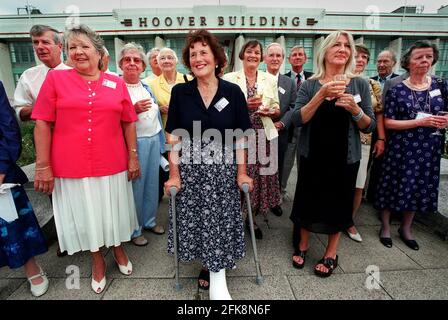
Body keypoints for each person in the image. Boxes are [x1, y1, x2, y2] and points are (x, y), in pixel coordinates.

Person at [31, 25, 140, 294]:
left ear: (98, 51)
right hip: (70, 165)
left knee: (112, 209)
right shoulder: (56, 80)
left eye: (84, 46)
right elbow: (42, 123)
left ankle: (117, 247)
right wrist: (43, 166)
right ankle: (96, 260)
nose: (78, 52)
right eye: (72, 47)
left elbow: (128, 123)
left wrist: (133, 157)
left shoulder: (115, 82)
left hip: (112, 162)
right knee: (87, 214)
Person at [164, 29, 253, 300]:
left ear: (217, 58)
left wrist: (242, 172)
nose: (198, 58)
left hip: (223, 169)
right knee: (199, 219)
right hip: (190, 169)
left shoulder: (233, 91)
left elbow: (241, 138)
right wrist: (174, 174)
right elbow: (174, 137)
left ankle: (217, 275)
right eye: (192, 54)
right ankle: (207, 264)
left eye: (204, 52)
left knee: (220, 218)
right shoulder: (181, 92)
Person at [290, 30, 375, 277]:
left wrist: (355, 109)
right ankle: (303, 245)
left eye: (346, 46)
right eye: (336, 44)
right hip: (313, 154)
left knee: (339, 202)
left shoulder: (360, 83)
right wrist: (321, 94)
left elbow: (369, 125)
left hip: (345, 156)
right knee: (308, 199)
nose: (342, 49)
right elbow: (298, 119)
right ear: (325, 51)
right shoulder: (309, 83)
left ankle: (331, 253)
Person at [374, 40, 448, 251]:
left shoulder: (440, 85)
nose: (424, 61)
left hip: (429, 147)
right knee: (392, 184)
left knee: (418, 186)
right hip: (401, 147)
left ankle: (406, 228)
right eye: (419, 57)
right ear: (408, 62)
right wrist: (419, 122)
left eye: (428, 56)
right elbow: (387, 121)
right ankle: (386, 226)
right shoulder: (397, 89)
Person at [223, 40, 281, 240]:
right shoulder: (229, 78)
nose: (253, 55)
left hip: (263, 134)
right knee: (238, 175)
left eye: (257, 52)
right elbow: (221, 107)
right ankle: (234, 217)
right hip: (238, 135)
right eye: (249, 51)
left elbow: (277, 109)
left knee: (259, 179)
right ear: (242, 54)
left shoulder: (269, 78)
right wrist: (244, 105)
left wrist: (269, 110)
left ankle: (251, 218)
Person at [0, 81, 49, 297]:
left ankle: (32, 269)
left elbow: (9, 126)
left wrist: (1, 168)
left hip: (1, 173)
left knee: (13, 225)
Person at [120, 43, 165, 246]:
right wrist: (132, 109)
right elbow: (111, 119)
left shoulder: (146, 87)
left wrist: (162, 142)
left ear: (143, 66)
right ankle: (134, 229)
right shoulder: (116, 86)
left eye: (136, 60)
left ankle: (149, 221)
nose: (132, 64)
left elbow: (156, 116)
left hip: (153, 140)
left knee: (152, 184)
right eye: (127, 60)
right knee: (135, 187)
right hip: (132, 144)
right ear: (120, 64)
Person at [347, 44, 385, 243]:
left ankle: (349, 221)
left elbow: (378, 114)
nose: (360, 60)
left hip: (364, 140)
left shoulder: (372, 85)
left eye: (364, 57)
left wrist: (380, 138)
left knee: (358, 183)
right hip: (341, 139)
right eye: (357, 56)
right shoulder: (338, 80)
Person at [149, 47, 192, 205]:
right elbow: (149, 109)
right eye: (162, 58)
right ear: (158, 63)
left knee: (187, 170)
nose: (166, 61)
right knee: (169, 172)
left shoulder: (188, 79)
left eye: (170, 57)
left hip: (189, 134)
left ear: (176, 61)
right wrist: (159, 109)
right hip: (166, 135)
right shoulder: (151, 84)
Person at [264, 43, 297, 219]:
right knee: (261, 167)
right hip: (260, 132)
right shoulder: (258, 78)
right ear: (265, 58)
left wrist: (282, 124)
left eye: (278, 56)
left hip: (281, 133)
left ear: (283, 59)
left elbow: (293, 106)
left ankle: (275, 200)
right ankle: (260, 200)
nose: (275, 59)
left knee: (279, 167)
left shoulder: (289, 82)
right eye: (271, 55)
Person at [13, 25, 70, 122]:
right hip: (40, 132)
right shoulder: (27, 76)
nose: (39, 47)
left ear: (60, 46)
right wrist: (43, 107)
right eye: (36, 42)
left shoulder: (76, 74)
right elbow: (20, 113)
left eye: (45, 42)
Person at [366, 50, 400, 203]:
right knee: (366, 163)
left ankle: (376, 197)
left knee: (382, 165)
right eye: (379, 61)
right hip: (369, 129)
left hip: (391, 130)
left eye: (385, 61)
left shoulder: (400, 82)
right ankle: (362, 194)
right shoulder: (369, 81)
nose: (381, 64)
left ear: (394, 63)